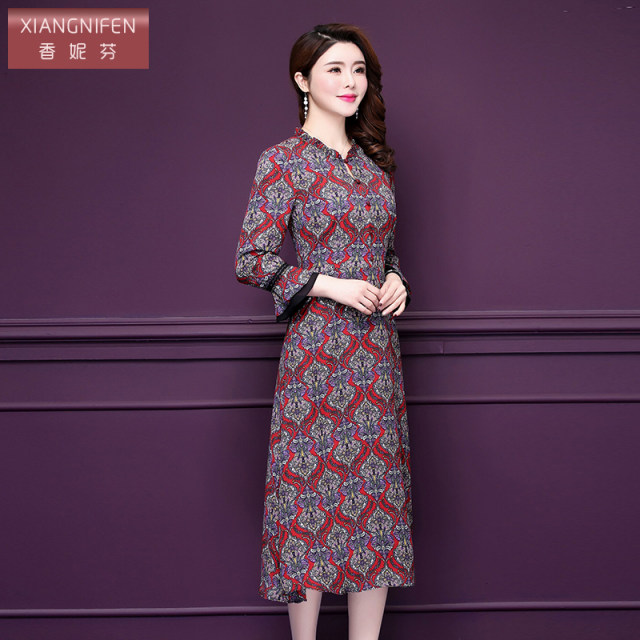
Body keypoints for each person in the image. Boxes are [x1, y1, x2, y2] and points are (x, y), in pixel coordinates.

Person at [234, 23, 414, 640]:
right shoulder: (282, 161)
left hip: (376, 356)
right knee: (307, 503)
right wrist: (328, 284)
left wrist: (398, 280)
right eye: (335, 69)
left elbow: (385, 252)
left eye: (358, 69)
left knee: (376, 504)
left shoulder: (374, 166)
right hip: (316, 358)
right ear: (303, 80)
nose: (350, 81)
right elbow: (251, 259)